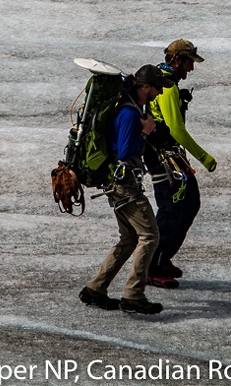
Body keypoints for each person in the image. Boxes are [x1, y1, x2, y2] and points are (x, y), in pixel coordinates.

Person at [80, 65, 174, 315]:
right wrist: (145, 133)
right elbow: (124, 151)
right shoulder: (130, 114)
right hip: (124, 184)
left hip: (117, 184)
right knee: (150, 235)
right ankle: (133, 295)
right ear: (145, 87)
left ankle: (95, 289)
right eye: (156, 89)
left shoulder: (133, 108)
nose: (158, 93)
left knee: (130, 237)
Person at [144, 39, 217, 288]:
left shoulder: (167, 81)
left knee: (190, 203)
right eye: (189, 62)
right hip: (161, 156)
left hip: (168, 154)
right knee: (171, 209)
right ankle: (151, 266)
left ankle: (163, 257)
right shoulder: (167, 87)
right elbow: (176, 129)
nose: (191, 69)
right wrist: (204, 157)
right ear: (177, 60)